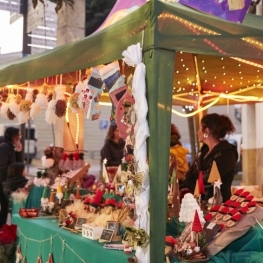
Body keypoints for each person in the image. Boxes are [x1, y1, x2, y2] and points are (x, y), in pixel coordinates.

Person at [183, 113, 238, 202]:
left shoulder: (227, 153)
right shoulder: (202, 153)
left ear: (206, 131)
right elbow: (187, 178)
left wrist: (197, 176)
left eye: (200, 128)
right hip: (200, 203)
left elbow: (210, 179)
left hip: (219, 206)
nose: (197, 132)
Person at [0, 127, 23, 227]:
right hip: (3, 181)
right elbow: (2, 165)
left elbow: (18, 164)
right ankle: (2, 228)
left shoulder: (10, 146)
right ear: (13, 136)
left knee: (5, 206)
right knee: (4, 206)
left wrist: (18, 151)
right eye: (19, 135)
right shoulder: (5, 146)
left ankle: (2, 227)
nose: (20, 137)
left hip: (6, 181)